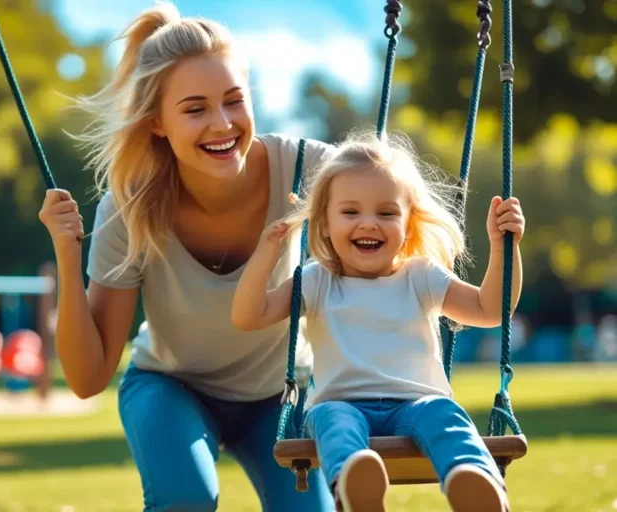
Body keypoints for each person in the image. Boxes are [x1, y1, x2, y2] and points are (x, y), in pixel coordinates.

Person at [37, 2, 337, 510]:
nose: (222, 125)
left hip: (281, 394)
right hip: (171, 387)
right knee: (186, 499)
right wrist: (68, 255)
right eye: (195, 109)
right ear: (157, 122)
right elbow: (88, 379)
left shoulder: (309, 169)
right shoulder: (128, 208)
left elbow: (393, 213)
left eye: (234, 101)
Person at [232, 130, 525, 512]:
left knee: (445, 417)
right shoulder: (317, 280)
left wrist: (504, 247)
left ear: (408, 225)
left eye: (386, 213)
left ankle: (472, 479)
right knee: (333, 421)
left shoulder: (421, 275)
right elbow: (248, 315)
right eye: (350, 212)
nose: (368, 223)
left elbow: (490, 309)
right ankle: (357, 482)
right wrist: (267, 253)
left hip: (417, 402)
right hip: (342, 402)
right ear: (323, 224)